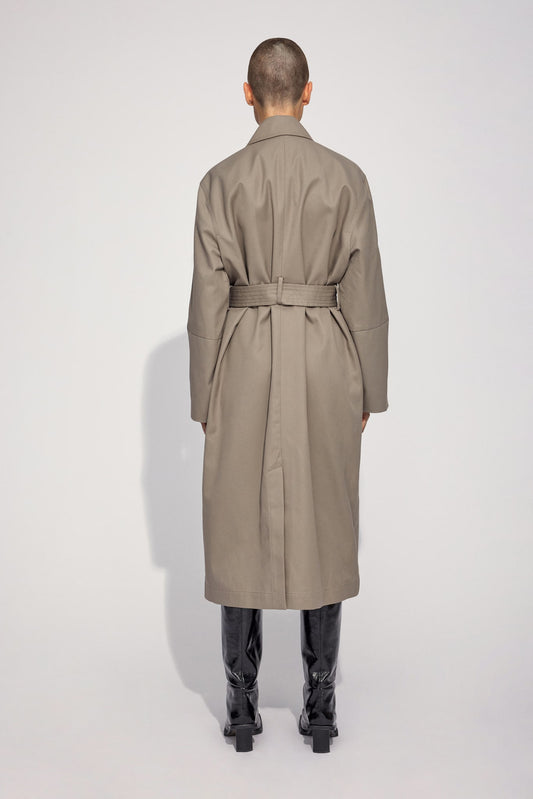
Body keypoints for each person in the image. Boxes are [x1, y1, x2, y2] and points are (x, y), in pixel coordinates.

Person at [187, 37, 389, 753]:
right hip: (325, 355)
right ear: (308, 91)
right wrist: (369, 386)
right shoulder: (346, 178)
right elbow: (365, 291)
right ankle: (321, 707)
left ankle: (241, 708)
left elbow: (206, 300)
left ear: (247, 93)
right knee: (326, 516)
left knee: (235, 520)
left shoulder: (219, 181)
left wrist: (204, 396)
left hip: (242, 356)